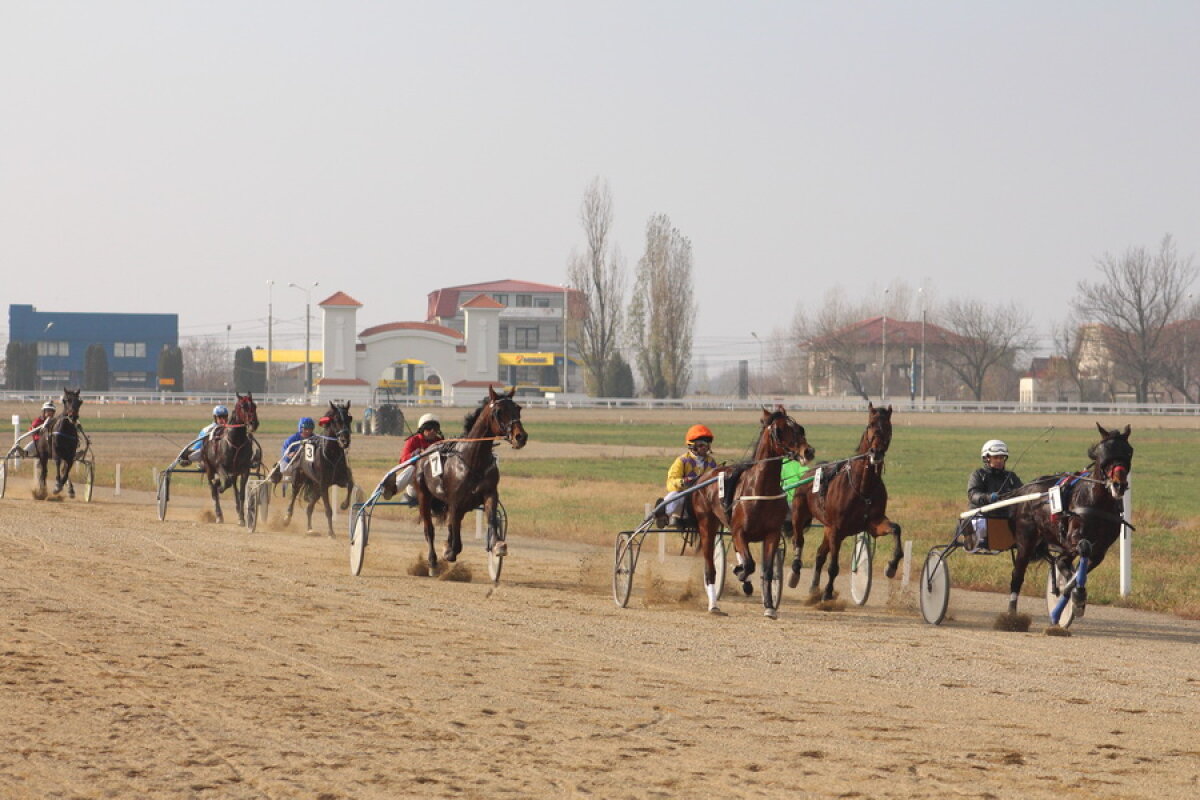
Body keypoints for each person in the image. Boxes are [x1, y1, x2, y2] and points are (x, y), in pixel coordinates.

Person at [965, 439, 1023, 552]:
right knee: (978, 523)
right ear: (987, 458)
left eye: (1001, 458)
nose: (999, 461)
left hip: (1005, 516)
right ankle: (975, 541)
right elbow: (973, 494)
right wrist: (988, 497)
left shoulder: (1011, 477)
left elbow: (1021, 491)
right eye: (996, 458)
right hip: (982, 514)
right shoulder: (978, 475)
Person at [659, 424, 718, 527]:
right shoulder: (682, 461)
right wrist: (684, 482)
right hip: (685, 500)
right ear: (692, 445)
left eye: (707, 445)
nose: (705, 448)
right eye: (701, 445)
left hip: (703, 500)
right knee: (674, 495)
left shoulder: (712, 462)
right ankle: (662, 515)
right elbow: (671, 482)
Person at [395, 413, 444, 505]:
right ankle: (394, 489)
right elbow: (402, 462)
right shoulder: (413, 441)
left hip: (435, 485)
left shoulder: (440, 443)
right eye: (429, 428)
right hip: (416, 485)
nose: (432, 431)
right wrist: (414, 454)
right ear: (422, 429)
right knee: (412, 469)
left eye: (435, 428)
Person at [272, 417, 316, 484]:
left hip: (308, 466)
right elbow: (284, 452)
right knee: (283, 468)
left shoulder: (315, 438)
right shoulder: (292, 439)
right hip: (291, 464)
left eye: (310, 429)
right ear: (300, 428)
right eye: (306, 429)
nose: (308, 431)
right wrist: (289, 455)